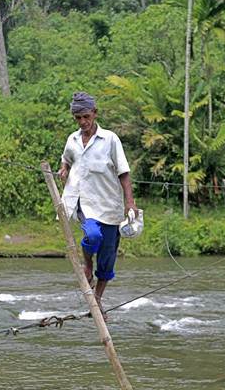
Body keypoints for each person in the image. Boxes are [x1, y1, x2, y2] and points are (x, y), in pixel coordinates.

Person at [58, 92, 137, 319]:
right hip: (85, 202)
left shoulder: (110, 139)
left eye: (85, 116)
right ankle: (86, 264)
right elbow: (67, 158)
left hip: (110, 204)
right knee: (92, 235)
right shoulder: (72, 140)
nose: (82, 122)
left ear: (95, 113)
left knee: (108, 257)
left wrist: (129, 202)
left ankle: (98, 299)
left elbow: (123, 172)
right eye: (78, 118)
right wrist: (64, 169)